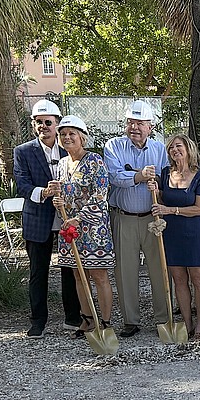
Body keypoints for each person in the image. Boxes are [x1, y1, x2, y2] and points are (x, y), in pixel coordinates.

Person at [13, 98, 81, 337]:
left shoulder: (70, 148)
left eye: (48, 122)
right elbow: (21, 185)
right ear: (34, 125)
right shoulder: (22, 151)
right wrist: (44, 192)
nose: (43, 126)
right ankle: (38, 321)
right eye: (39, 122)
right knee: (38, 272)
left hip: (66, 218)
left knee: (70, 270)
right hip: (38, 218)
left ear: (57, 123)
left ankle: (73, 318)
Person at [103, 99, 169, 338]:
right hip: (125, 218)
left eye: (140, 123)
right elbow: (114, 176)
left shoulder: (159, 149)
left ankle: (164, 317)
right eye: (131, 122)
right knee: (125, 271)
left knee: (159, 268)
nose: (135, 128)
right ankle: (131, 320)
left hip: (152, 218)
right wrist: (140, 176)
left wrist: (158, 184)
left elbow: (167, 177)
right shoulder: (113, 146)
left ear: (150, 126)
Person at [51, 116, 115, 336]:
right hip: (69, 227)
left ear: (82, 138)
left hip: (93, 229)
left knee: (98, 275)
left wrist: (80, 218)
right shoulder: (61, 163)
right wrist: (57, 200)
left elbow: (100, 195)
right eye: (63, 134)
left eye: (72, 134)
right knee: (78, 275)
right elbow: (63, 193)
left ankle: (105, 322)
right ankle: (87, 318)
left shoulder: (95, 161)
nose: (67, 138)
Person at [150, 135, 200, 340]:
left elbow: (199, 209)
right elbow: (161, 201)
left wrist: (170, 209)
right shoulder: (166, 172)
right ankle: (187, 323)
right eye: (171, 148)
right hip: (172, 233)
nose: (175, 150)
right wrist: (156, 192)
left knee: (198, 279)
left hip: (194, 232)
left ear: (188, 148)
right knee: (178, 279)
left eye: (179, 146)